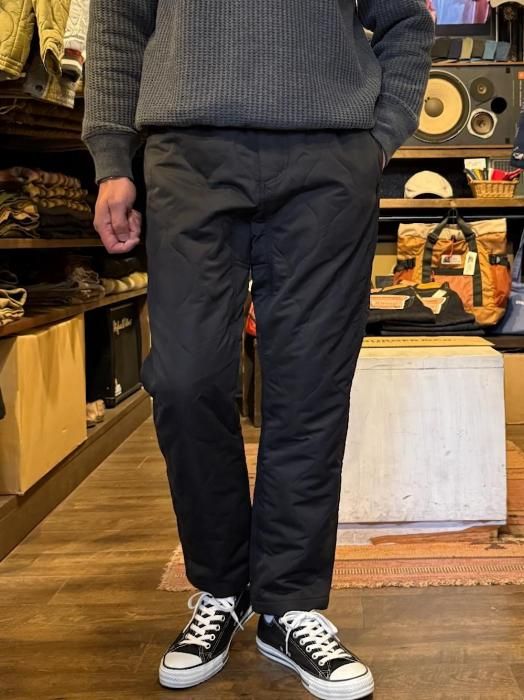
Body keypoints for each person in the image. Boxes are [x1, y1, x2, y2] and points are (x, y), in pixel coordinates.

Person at [82, 2, 433, 698]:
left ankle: (288, 604)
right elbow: (119, 19)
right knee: (183, 379)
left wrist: (378, 138)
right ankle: (222, 588)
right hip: (187, 152)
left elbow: (407, 21)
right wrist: (111, 157)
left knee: (311, 387)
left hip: (329, 156)